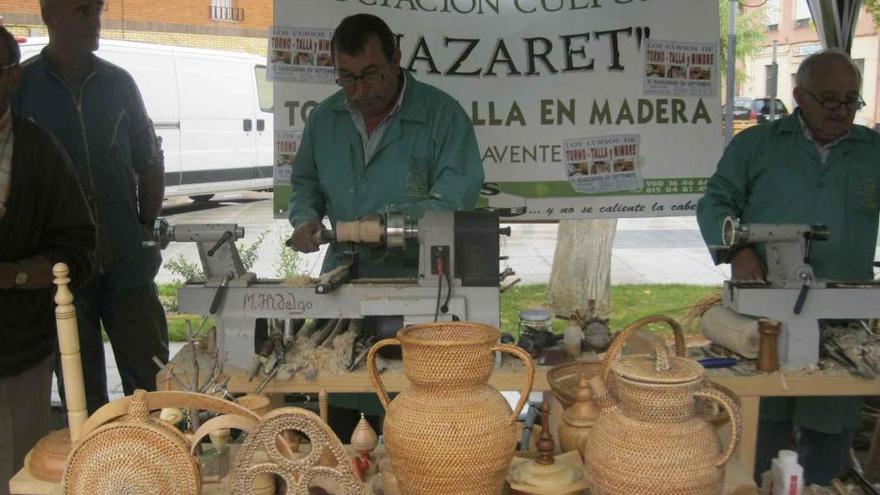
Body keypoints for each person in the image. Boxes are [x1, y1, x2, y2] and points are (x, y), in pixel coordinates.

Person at [288, 13, 484, 435]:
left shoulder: (441, 116)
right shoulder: (324, 120)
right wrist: (305, 217)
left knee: (417, 422)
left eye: (371, 75)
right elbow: (304, 181)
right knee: (340, 413)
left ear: (397, 59)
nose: (358, 91)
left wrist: (396, 222)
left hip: (422, 287)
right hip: (344, 284)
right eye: (347, 78)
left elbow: (457, 193)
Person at [697, 49, 880, 486]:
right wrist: (737, 250)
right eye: (829, 99)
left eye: (851, 100)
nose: (840, 111)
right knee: (765, 424)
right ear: (799, 96)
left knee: (830, 428)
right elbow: (716, 203)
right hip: (768, 316)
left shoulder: (871, 151)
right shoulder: (757, 145)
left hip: (843, 318)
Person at [13, 0, 168, 414]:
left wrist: (145, 232)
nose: (95, 22)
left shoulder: (120, 84)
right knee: (83, 399)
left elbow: (149, 162)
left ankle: (164, 470)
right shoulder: (23, 86)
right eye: (83, 11)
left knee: (153, 388)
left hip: (127, 259)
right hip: (63, 268)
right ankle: (99, 476)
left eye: (97, 10)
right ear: (50, 16)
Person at [0, 26, 96, 495]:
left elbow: (78, 249)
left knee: (21, 473)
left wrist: (15, 275)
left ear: (12, 78)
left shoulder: (39, 152)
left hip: (20, 348)